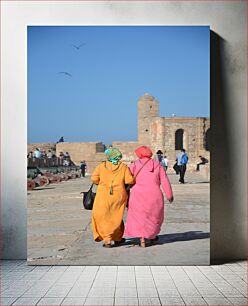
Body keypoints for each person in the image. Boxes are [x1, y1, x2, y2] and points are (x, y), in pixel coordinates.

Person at [124, 146, 173, 248]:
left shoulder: (134, 165)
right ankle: (151, 236)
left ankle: (142, 238)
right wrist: (169, 195)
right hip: (154, 195)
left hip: (137, 195)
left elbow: (128, 180)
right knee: (154, 216)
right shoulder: (157, 165)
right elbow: (164, 180)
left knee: (139, 216)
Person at [91, 147, 135, 248]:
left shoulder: (101, 166)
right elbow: (129, 180)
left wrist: (101, 183)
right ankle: (118, 238)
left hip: (103, 194)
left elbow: (94, 178)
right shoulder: (123, 167)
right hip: (118, 195)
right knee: (116, 216)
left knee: (102, 216)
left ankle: (107, 239)